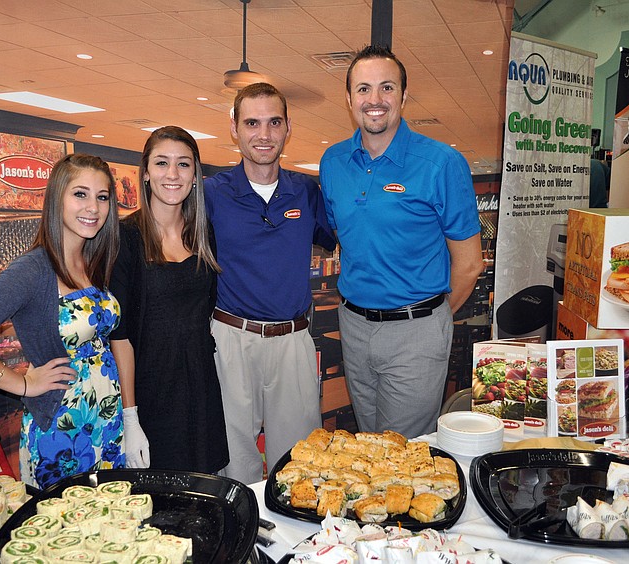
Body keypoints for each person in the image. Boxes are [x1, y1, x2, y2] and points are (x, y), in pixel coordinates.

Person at [0, 153, 141, 488]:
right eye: (80, 194)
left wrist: (129, 418)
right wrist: (22, 384)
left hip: (107, 420)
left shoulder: (93, 259)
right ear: (56, 199)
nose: (93, 207)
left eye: (102, 197)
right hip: (62, 429)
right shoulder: (33, 269)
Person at [319, 45, 483, 438]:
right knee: (368, 443)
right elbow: (349, 235)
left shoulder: (441, 163)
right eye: (363, 89)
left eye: (386, 88)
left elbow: (470, 263)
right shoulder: (333, 162)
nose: (374, 100)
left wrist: (431, 320)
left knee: (401, 456)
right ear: (349, 98)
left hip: (416, 332)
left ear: (404, 96)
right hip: (354, 326)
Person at [205, 82, 336, 484]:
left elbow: (344, 240)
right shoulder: (210, 193)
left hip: (292, 341)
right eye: (252, 123)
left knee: (299, 465)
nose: (263, 134)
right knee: (233, 460)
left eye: (273, 122)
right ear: (234, 128)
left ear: (287, 128)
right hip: (230, 339)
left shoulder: (306, 192)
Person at [109, 126, 228, 473]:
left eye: (183, 165)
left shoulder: (203, 234)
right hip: (150, 389)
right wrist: (131, 417)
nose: (172, 174)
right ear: (145, 173)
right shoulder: (125, 237)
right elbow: (121, 334)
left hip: (200, 384)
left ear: (195, 176)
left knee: (204, 487)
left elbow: (204, 310)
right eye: (161, 163)